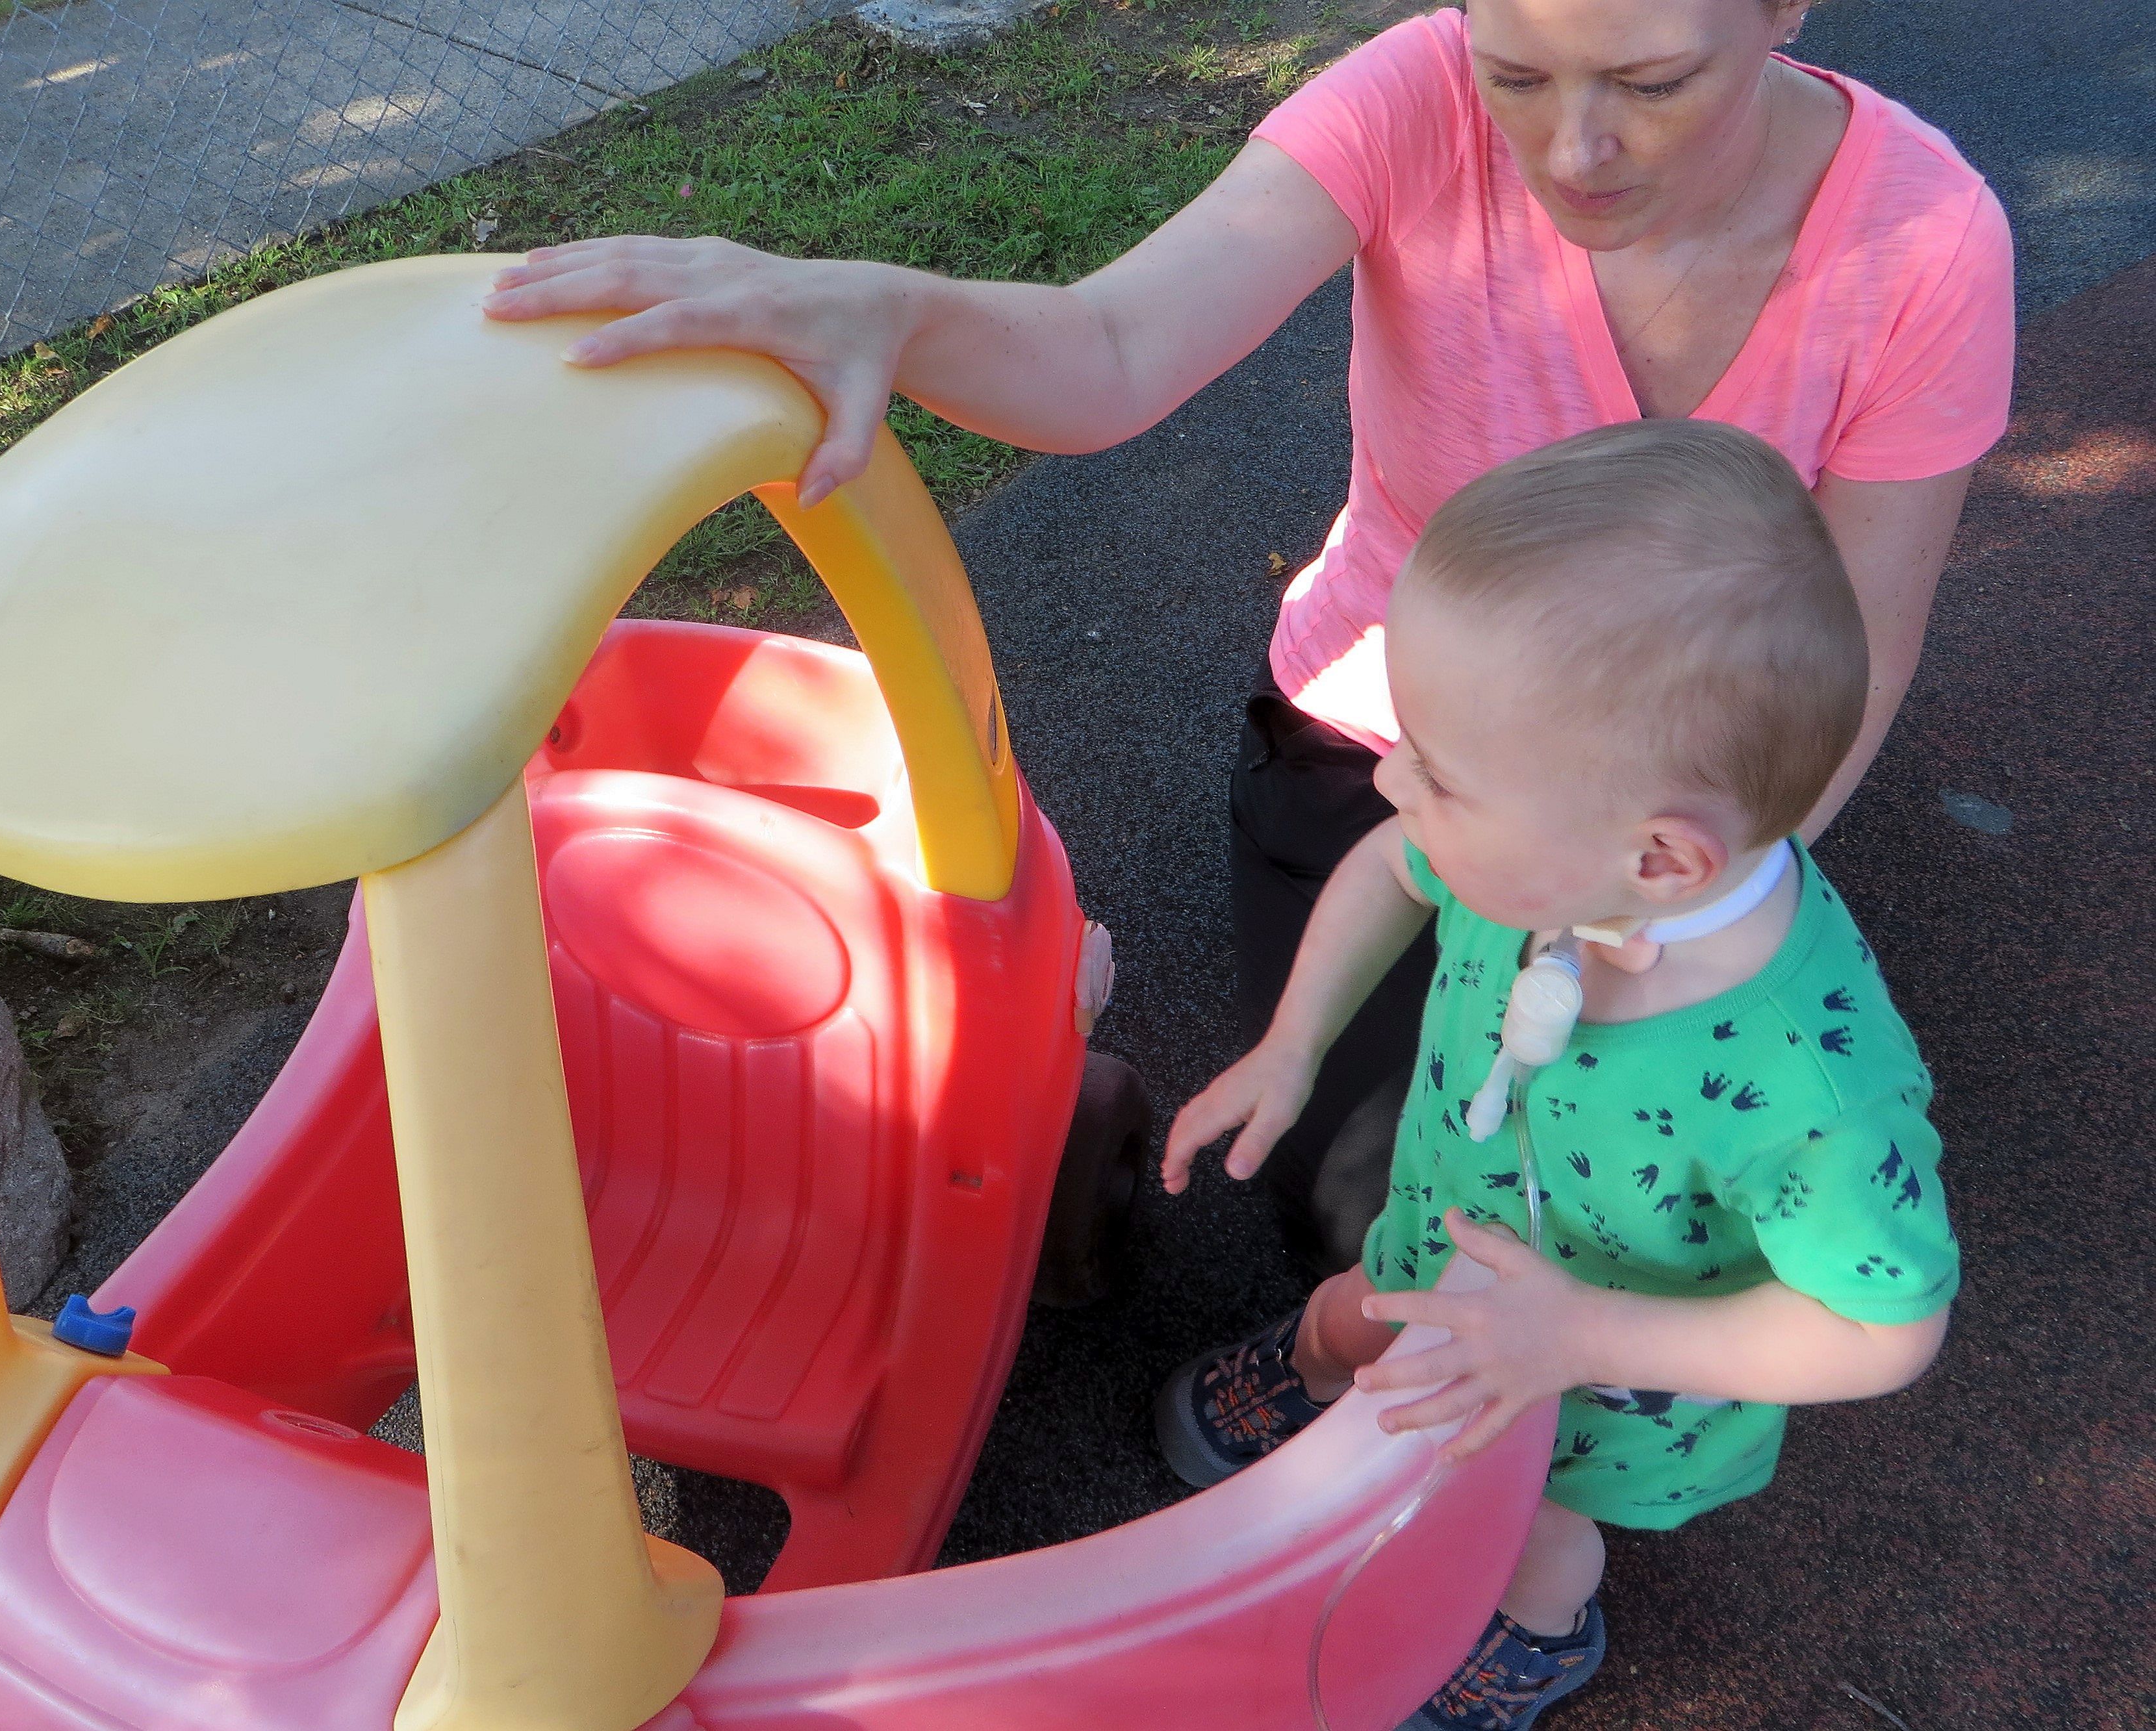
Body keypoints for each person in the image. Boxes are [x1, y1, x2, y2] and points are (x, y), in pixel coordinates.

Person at [481, 0, 2014, 1269]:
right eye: (1518, 74)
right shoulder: (1414, 97)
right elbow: (1112, 346)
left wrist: (1675, 914)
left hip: (1651, 787)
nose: (1572, 150)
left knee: (1614, 1208)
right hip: (1389, 727)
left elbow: (1860, 649)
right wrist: (897, 310)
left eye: (1655, 83)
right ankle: (1353, 1351)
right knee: (1357, 1200)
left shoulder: (1924, 242)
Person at [1156, 418, 1958, 1728]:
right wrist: (1292, 1044)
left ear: (1661, 861)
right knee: (1360, 1309)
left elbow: (1887, 1328)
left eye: (1440, 772)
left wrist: (1577, 1336)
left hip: (1596, 1383)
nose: (1392, 779)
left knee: (1524, 1525)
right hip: (1445, 1234)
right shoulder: (1556, 848)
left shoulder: (1812, 1091)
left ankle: (1537, 1633)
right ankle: (1320, 1371)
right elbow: (1391, 866)